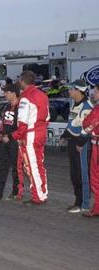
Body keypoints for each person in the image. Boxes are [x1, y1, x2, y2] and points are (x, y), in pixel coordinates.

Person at [12, 71, 50, 205]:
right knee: (39, 164)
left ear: (22, 81)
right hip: (41, 133)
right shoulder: (43, 95)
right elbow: (47, 118)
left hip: (30, 135)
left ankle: (37, 196)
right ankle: (42, 192)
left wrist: (15, 135)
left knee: (31, 166)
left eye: (19, 80)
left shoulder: (25, 98)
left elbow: (22, 123)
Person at [60, 80, 93, 213]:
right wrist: (64, 135)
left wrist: (80, 143)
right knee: (75, 174)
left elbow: (88, 128)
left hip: (82, 144)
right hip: (73, 143)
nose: (69, 91)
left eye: (71, 89)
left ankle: (83, 204)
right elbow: (72, 124)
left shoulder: (86, 106)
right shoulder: (75, 104)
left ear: (78, 90)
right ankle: (78, 201)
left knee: (82, 175)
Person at [0, 83, 21, 200]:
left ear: (13, 93)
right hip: (5, 141)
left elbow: (23, 127)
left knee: (16, 169)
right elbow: (3, 123)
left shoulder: (21, 107)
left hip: (16, 142)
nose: (4, 94)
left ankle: (16, 192)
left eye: (6, 92)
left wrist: (11, 137)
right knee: (1, 167)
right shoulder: (7, 106)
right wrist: (0, 134)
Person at [82, 85, 99, 217]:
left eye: (96, 91)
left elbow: (87, 125)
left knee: (96, 178)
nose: (93, 93)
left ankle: (97, 208)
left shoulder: (97, 109)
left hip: (97, 146)